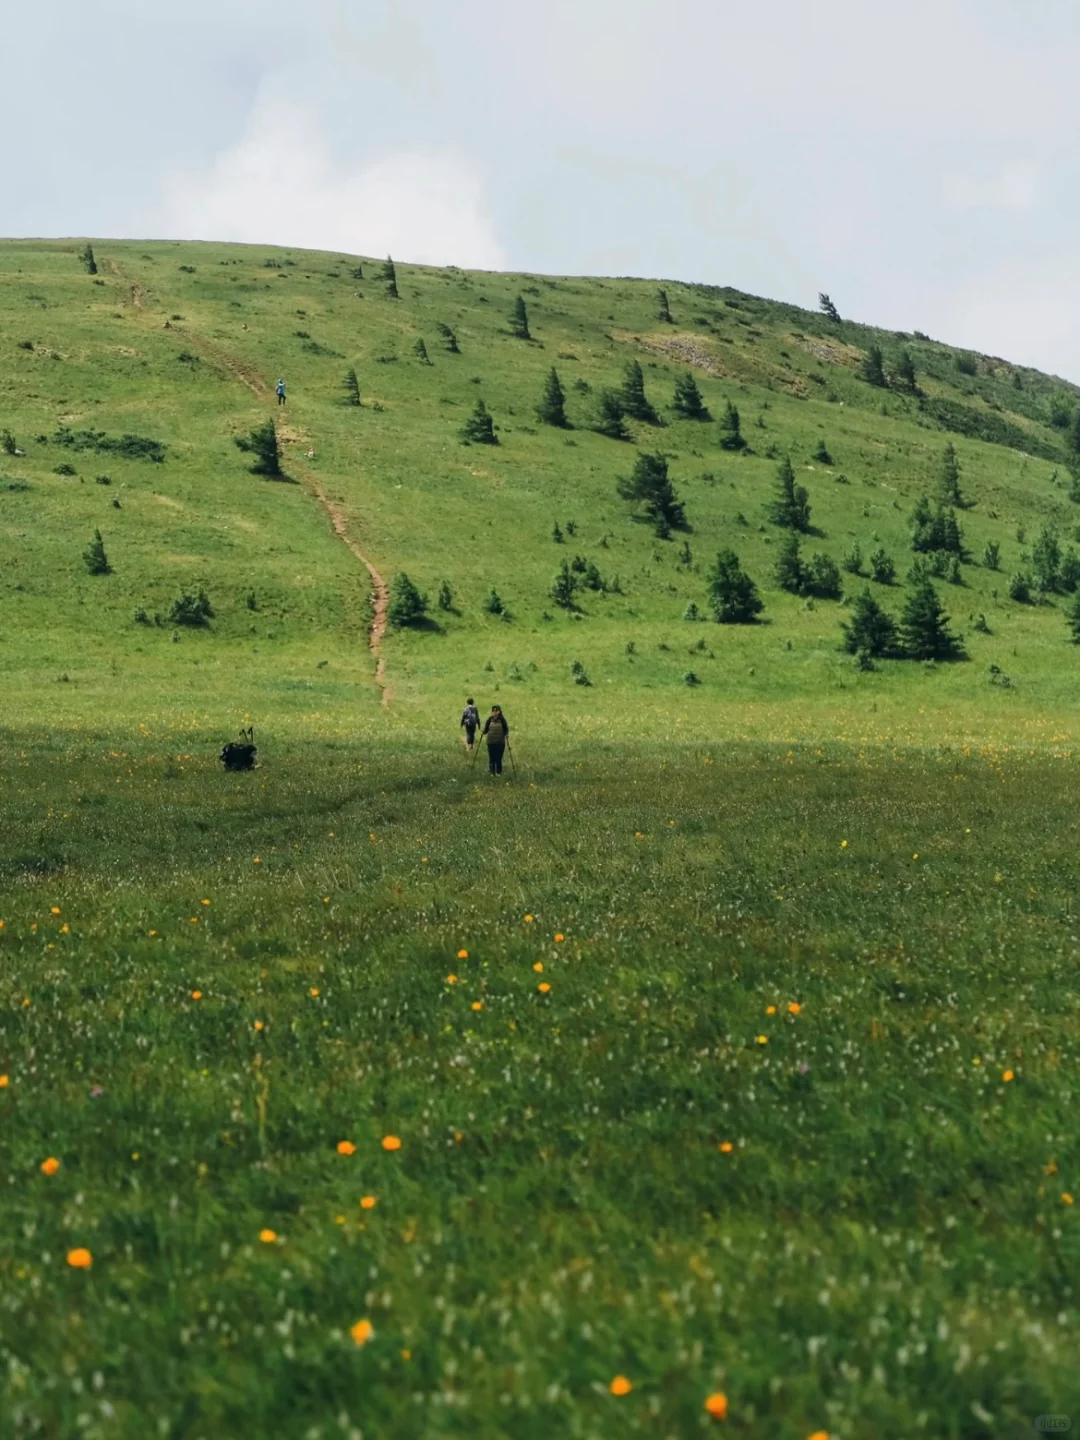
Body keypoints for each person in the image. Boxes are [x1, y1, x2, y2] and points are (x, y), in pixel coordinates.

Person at [482, 705, 510, 775]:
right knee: (492, 758)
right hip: (491, 742)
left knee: (498, 758)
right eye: (493, 711)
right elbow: (485, 730)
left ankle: (498, 772)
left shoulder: (502, 720)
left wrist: (506, 734)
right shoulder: (489, 719)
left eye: (496, 710)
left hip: (500, 742)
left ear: (499, 711)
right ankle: (492, 772)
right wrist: (483, 732)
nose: (494, 712)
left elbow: (506, 729)